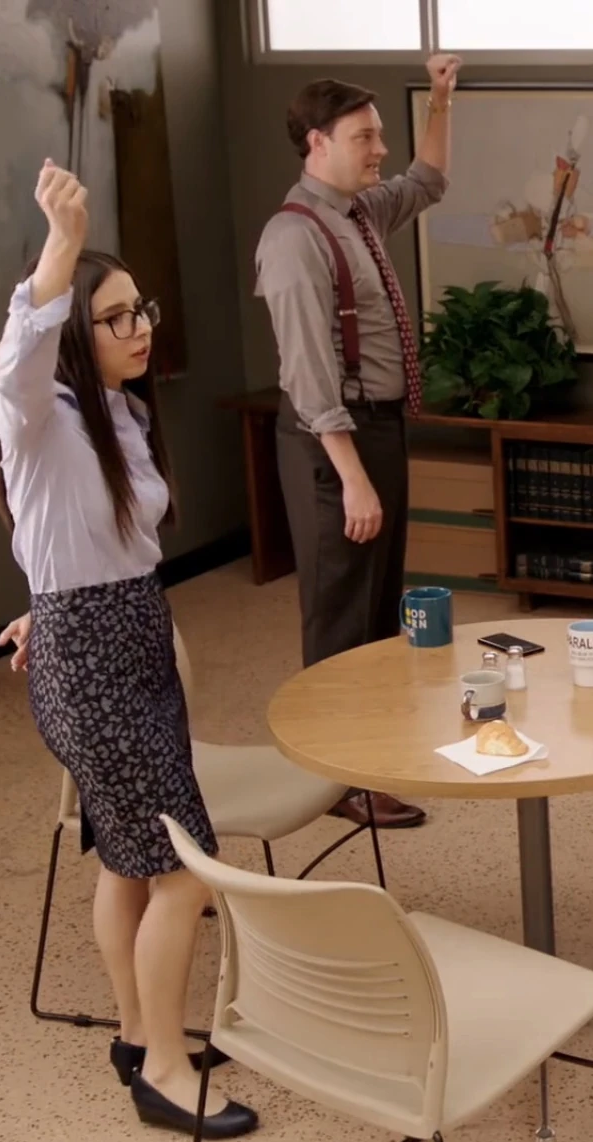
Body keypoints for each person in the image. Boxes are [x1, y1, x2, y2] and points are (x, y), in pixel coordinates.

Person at [0, 160, 257, 1137]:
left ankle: (139, 1035)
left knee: (129, 861)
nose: (140, 327)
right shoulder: (38, 415)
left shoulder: (122, 413)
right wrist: (60, 247)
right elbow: (14, 366)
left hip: (123, 636)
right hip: (97, 664)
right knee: (183, 866)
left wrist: (42, 606)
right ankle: (166, 1072)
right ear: (73, 331)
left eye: (141, 310)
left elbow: (80, 544)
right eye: (115, 316)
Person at [254, 54, 461, 830]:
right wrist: (352, 476)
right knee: (341, 613)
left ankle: (368, 755)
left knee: (378, 605)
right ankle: (332, 777)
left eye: (379, 135)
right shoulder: (293, 238)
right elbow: (308, 374)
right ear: (317, 142)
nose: (381, 149)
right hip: (330, 443)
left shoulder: (360, 212)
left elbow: (429, 179)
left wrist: (441, 97)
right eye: (365, 137)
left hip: (378, 429)